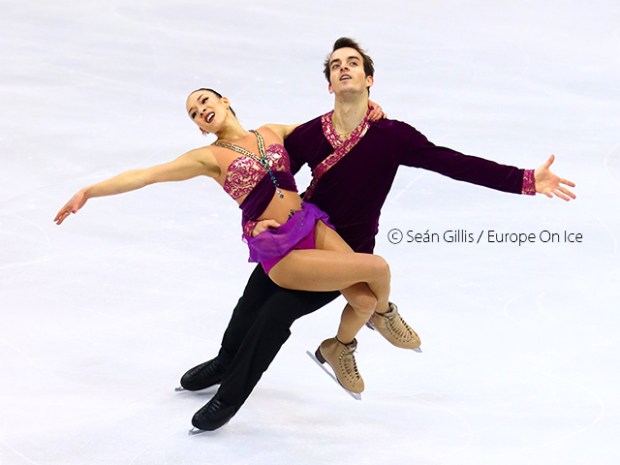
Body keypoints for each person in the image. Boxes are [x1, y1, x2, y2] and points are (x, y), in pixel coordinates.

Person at [178, 37, 576, 432]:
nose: (344, 68)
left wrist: (525, 180)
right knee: (251, 301)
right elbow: (268, 175)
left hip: (345, 253)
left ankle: (229, 397)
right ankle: (226, 360)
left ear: (369, 79)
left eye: (352, 63)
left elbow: (453, 163)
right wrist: (257, 222)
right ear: (329, 85)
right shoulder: (310, 134)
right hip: (296, 236)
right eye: (336, 65)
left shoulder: (392, 136)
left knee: (275, 315)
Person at [53, 85, 420, 425]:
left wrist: (366, 110)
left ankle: (345, 343)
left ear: (224, 101)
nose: (201, 110)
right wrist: (89, 191)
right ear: (200, 127)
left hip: (311, 226)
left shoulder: (271, 132)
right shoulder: (208, 157)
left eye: (204, 101)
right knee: (368, 271)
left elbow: (334, 130)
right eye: (194, 113)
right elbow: (148, 175)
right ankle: (230, 391)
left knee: (363, 299)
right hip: (279, 246)